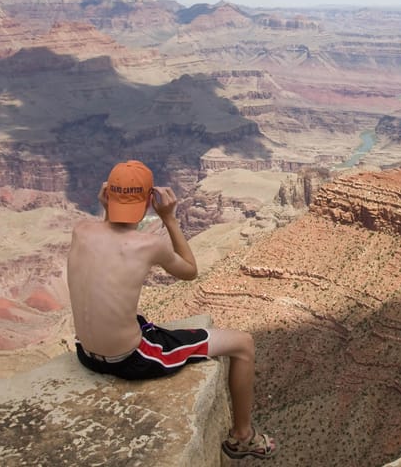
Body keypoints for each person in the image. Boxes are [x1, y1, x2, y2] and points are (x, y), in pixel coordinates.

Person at [67, 160, 276, 460]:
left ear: (107, 196)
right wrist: (170, 219)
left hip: (85, 355)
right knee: (243, 344)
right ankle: (243, 436)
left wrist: (108, 209)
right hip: (128, 361)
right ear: (148, 202)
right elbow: (190, 271)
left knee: (140, 321)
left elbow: (107, 241)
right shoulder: (149, 245)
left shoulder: (81, 230)